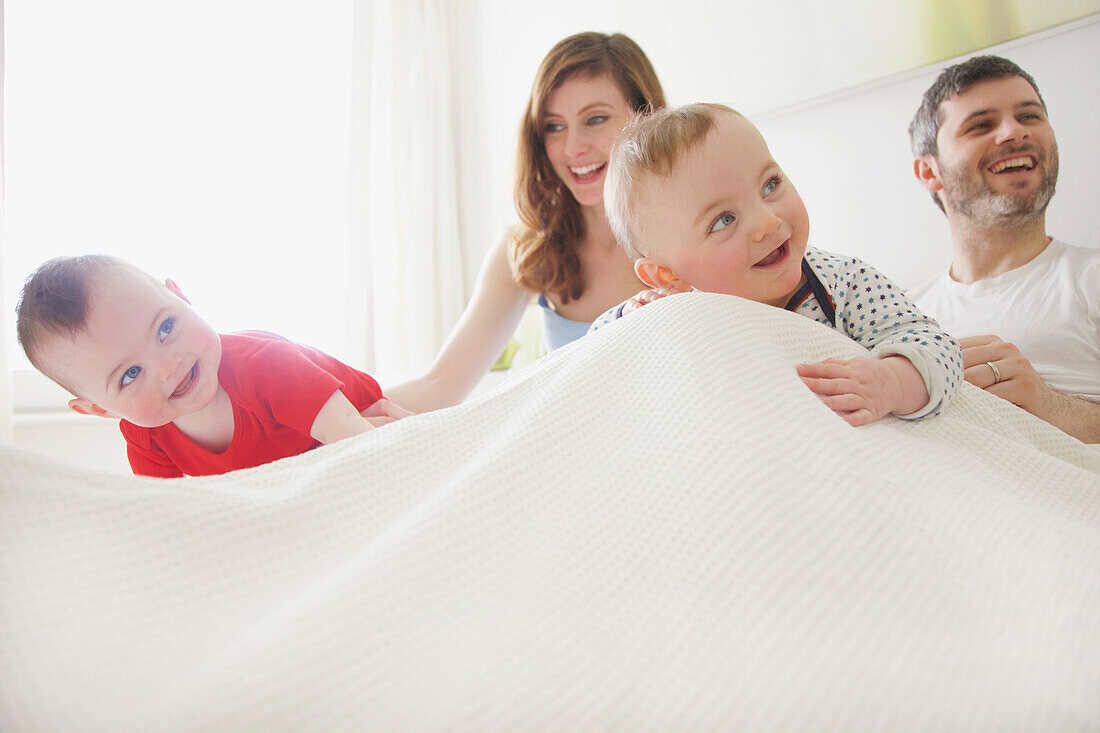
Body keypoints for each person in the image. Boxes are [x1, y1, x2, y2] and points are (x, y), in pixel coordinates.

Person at [590, 103, 962, 426]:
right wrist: (632, 319)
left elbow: (936, 346)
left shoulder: (844, 282)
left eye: (770, 185)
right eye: (724, 220)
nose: (767, 222)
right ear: (668, 275)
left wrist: (893, 381)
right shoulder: (670, 312)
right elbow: (590, 365)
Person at [386, 32, 665, 413]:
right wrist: (324, 402)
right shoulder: (528, 248)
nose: (572, 149)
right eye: (554, 126)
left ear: (646, 114)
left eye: (595, 119)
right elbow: (440, 384)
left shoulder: (689, 231)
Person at [16, 255, 413, 477]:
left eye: (166, 327)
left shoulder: (265, 367)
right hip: (307, 465)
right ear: (101, 409)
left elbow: (368, 451)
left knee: (441, 388)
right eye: (130, 374)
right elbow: (167, 519)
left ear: (181, 297)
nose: (169, 366)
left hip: (364, 414)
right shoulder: (146, 439)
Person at [907, 55, 1099, 443]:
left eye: (1029, 116)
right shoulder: (903, 317)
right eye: (982, 125)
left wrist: (1051, 407)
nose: (1014, 132)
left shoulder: (1090, 279)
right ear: (930, 171)